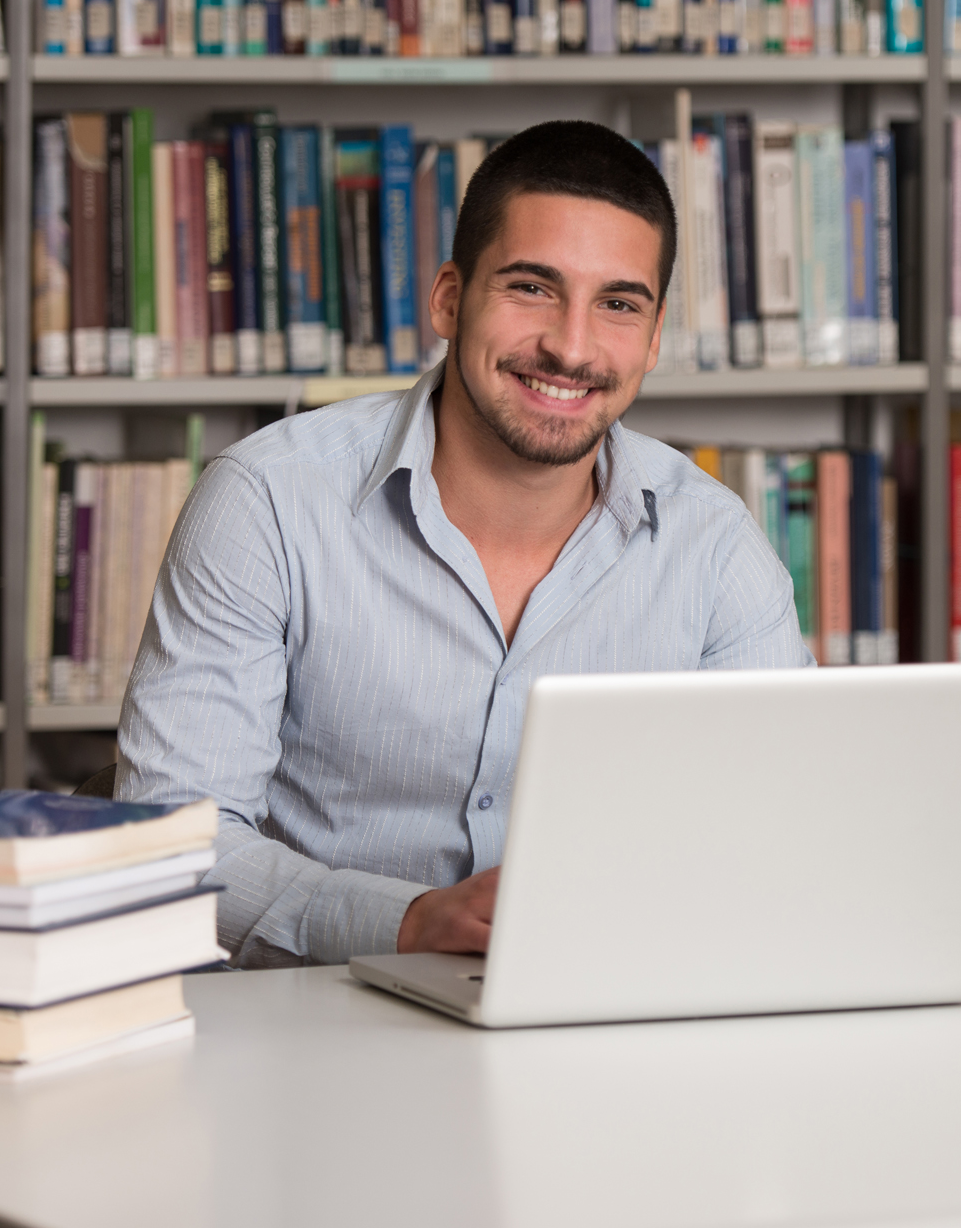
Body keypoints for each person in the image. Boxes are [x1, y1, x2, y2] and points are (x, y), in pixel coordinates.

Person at [117, 119, 811, 968]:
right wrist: (404, 922)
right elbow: (179, 847)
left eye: (618, 304)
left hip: (598, 1033)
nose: (571, 345)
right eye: (532, 288)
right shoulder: (268, 502)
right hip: (309, 1042)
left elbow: (776, 847)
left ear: (655, 336)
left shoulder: (716, 551)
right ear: (449, 298)